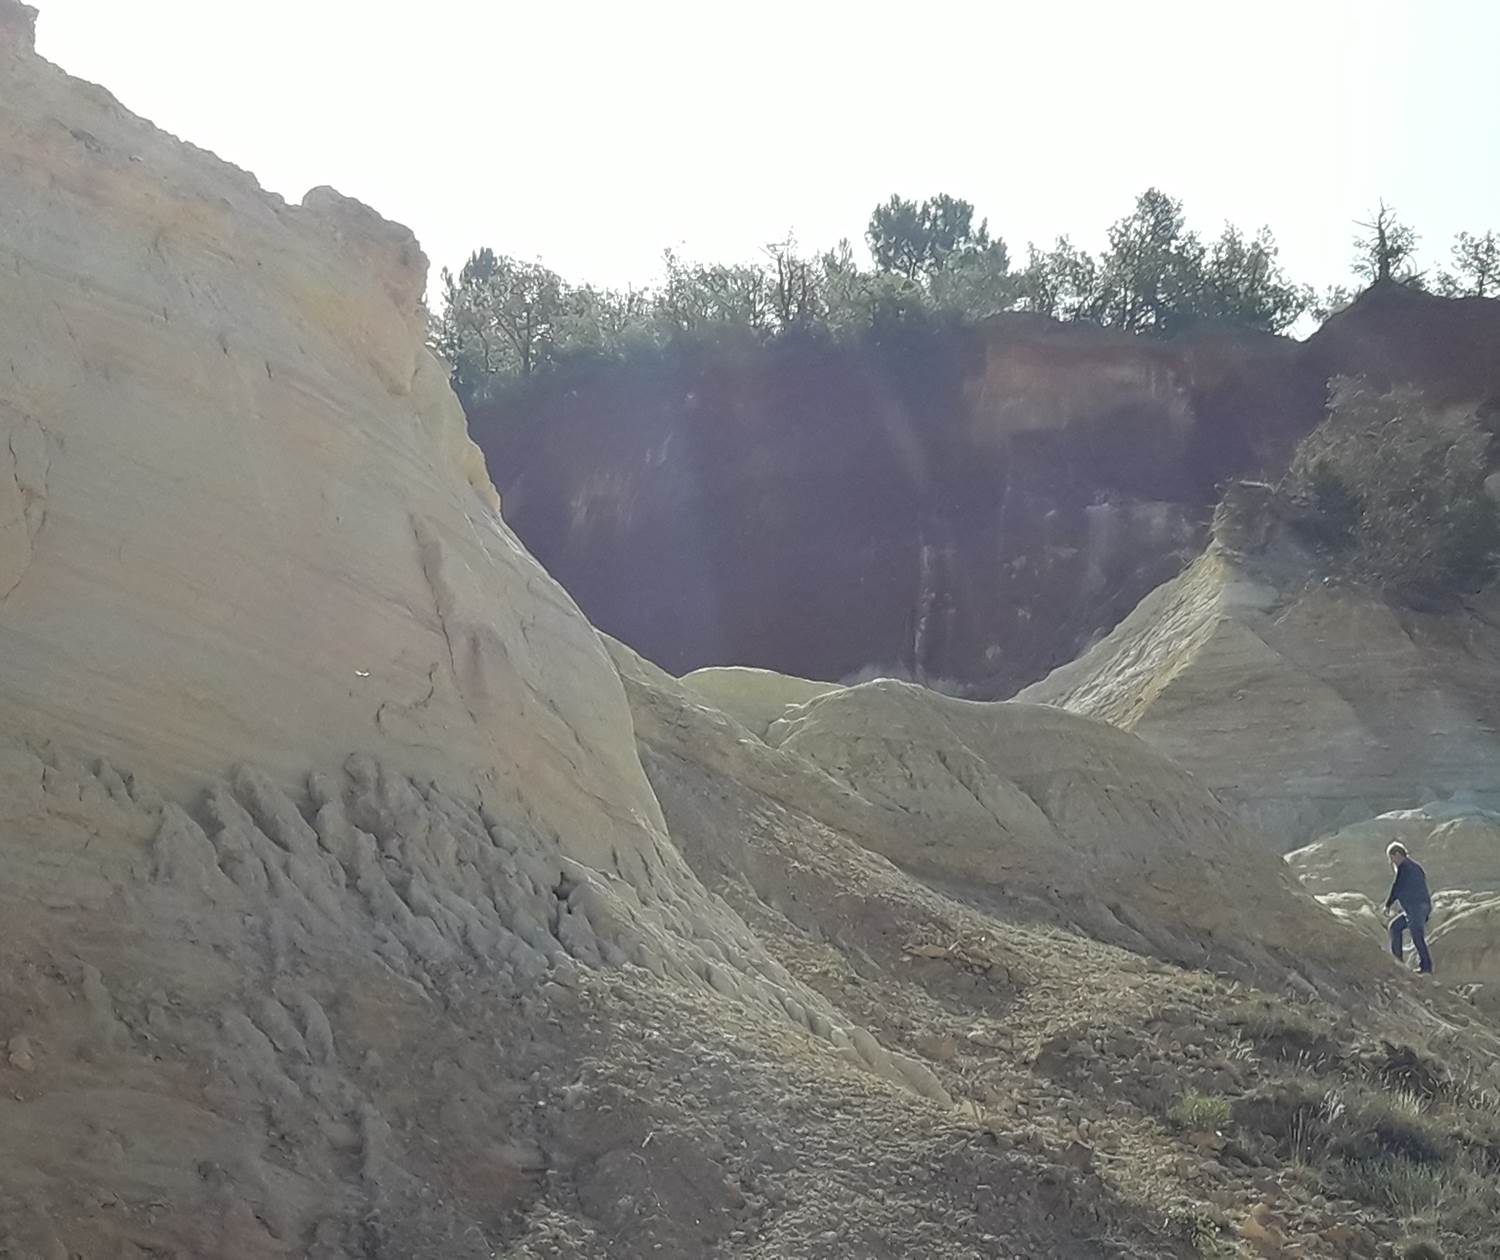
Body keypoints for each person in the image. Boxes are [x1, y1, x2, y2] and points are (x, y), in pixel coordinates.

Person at [1384, 842, 1433, 974]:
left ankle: (1426, 967)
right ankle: (1398, 962)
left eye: (1391, 858)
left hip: (1417, 908)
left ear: (1398, 855)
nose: (1391, 862)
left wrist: (1388, 904)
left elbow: (1397, 886)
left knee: (1416, 935)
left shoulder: (1405, 867)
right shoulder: (1414, 867)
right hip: (1414, 909)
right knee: (1395, 927)